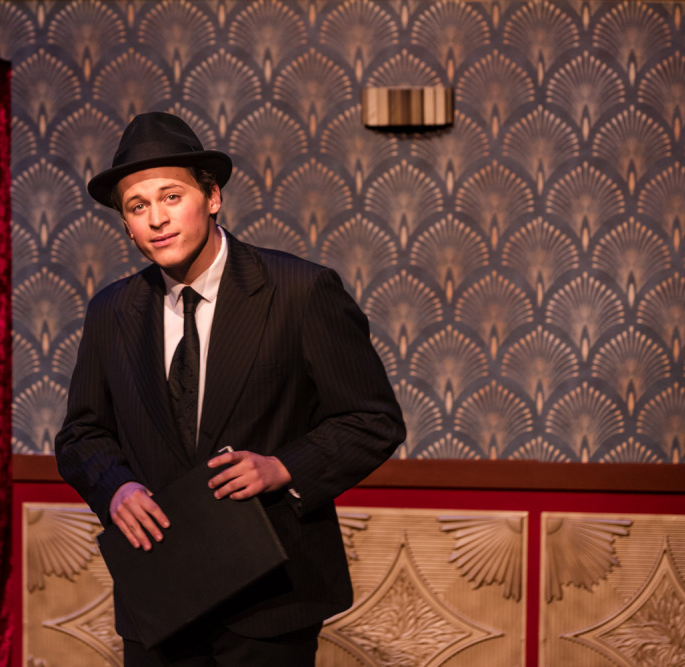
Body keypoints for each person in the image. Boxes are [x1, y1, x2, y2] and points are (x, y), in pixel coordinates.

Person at [54, 111, 406, 666]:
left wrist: (284, 467)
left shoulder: (300, 291)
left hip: (272, 597)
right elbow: (81, 434)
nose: (156, 219)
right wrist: (115, 488)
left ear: (213, 196)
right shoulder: (112, 311)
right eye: (137, 207)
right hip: (161, 595)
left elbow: (372, 420)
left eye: (171, 197)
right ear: (125, 225)